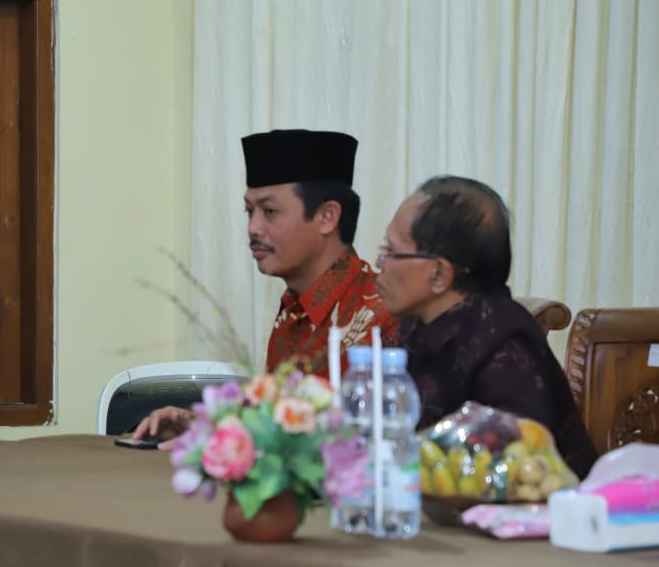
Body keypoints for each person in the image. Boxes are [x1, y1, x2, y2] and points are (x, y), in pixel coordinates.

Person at [134, 129, 397, 442]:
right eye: (250, 211)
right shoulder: (293, 310)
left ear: (327, 217)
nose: (253, 228)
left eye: (269, 211)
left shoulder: (384, 316)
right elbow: (280, 434)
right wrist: (201, 428)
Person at [374, 175, 597, 478]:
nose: (379, 263)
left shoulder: (505, 347)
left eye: (391, 252)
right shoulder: (418, 323)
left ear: (439, 274)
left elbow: (511, 474)